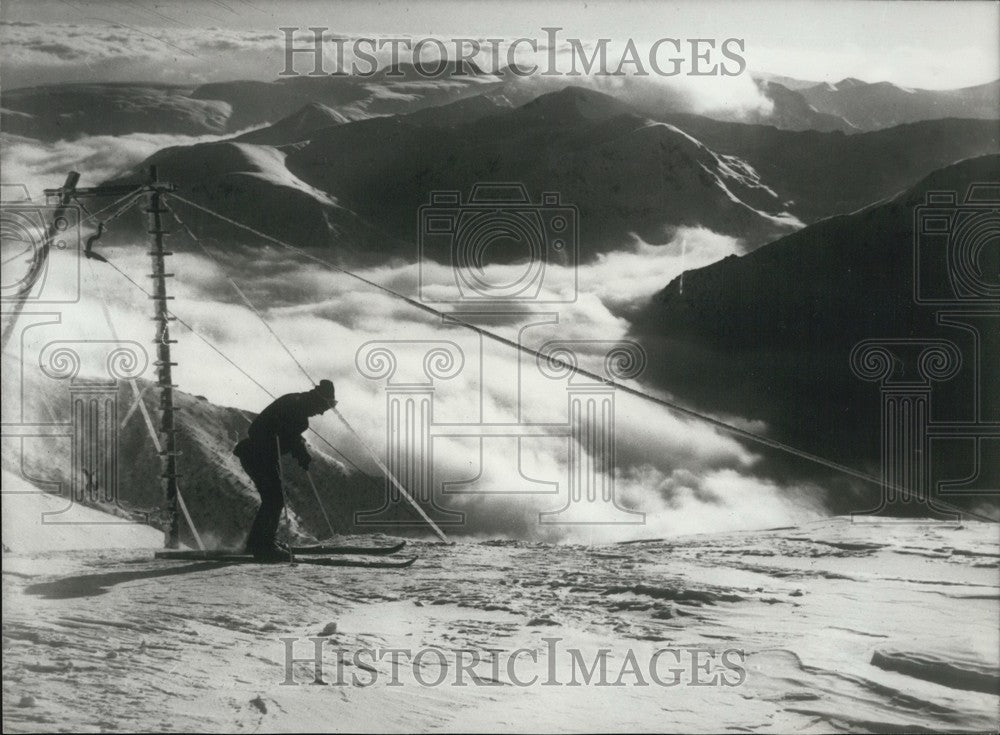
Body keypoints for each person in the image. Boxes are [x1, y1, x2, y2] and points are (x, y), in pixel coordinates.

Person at [233, 379, 337, 560]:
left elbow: (292, 437)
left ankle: (258, 541)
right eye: (324, 407)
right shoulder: (294, 406)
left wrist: (301, 454)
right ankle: (263, 545)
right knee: (274, 498)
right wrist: (281, 438)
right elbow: (259, 430)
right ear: (317, 400)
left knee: (274, 497)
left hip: (261, 456)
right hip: (256, 455)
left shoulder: (297, 407)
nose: (321, 412)